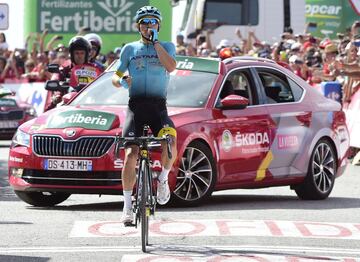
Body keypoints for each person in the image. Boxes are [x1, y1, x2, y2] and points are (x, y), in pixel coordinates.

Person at [111, 5, 177, 223]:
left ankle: (164, 180)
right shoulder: (130, 49)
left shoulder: (167, 46)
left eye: (153, 22)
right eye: (145, 23)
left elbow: (171, 67)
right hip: (136, 106)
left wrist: (156, 43)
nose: (149, 26)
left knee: (170, 140)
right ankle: (127, 206)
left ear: (158, 25)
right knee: (131, 154)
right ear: (138, 26)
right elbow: (115, 76)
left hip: (158, 107)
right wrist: (122, 81)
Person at [46, 36, 102, 111]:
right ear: (71, 54)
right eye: (77, 53)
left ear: (86, 54)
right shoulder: (65, 67)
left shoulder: (96, 68)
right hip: (68, 102)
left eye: (82, 53)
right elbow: (57, 78)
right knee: (50, 110)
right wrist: (58, 94)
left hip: (92, 101)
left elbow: (104, 83)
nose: (79, 56)